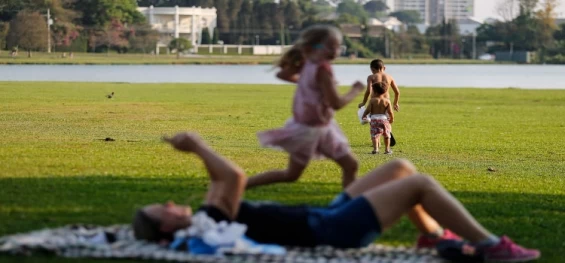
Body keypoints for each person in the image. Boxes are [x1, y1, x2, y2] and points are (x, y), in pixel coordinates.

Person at [133, 132, 541, 262]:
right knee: (421, 184)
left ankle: (433, 237)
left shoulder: (208, 214)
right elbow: (234, 175)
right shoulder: (212, 225)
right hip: (332, 230)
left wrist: (204, 158)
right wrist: (198, 145)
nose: (170, 205)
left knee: (401, 167)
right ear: (167, 229)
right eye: (163, 210)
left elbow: (226, 179)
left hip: (320, 214)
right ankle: (489, 247)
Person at [246, 25, 364, 189]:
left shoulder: (308, 63)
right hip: (310, 131)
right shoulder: (323, 69)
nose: (335, 51)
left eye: (338, 46)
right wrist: (355, 90)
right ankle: (239, 185)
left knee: (348, 165)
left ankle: (348, 204)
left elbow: (283, 74)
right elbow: (336, 103)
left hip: (318, 127)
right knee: (295, 174)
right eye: (330, 46)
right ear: (313, 47)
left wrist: (310, 84)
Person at [362, 82, 394, 154]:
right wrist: (392, 118)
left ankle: (376, 149)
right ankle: (387, 149)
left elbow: (368, 110)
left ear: (374, 91)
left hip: (374, 120)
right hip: (384, 119)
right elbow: (390, 112)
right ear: (385, 91)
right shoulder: (387, 101)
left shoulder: (372, 100)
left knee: (375, 135)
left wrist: (364, 115)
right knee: (387, 134)